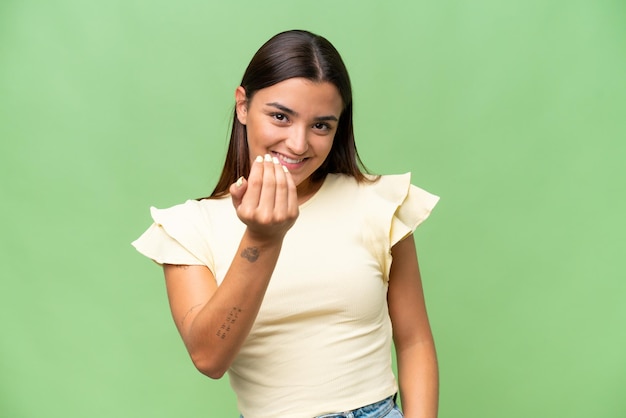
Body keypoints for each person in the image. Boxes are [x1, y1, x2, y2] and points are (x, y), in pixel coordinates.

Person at [132, 29, 439, 418]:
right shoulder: (190, 227)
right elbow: (209, 357)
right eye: (280, 116)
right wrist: (263, 237)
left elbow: (414, 342)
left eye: (321, 125)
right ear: (242, 106)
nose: (297, 144)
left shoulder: (378, 202)